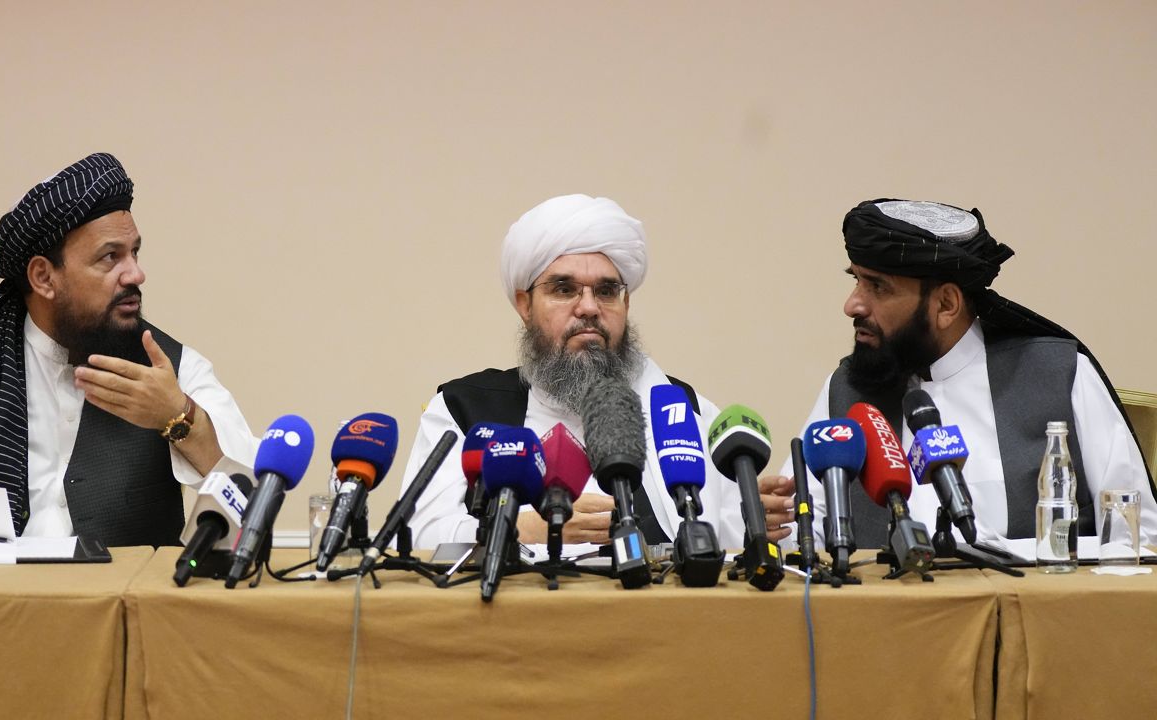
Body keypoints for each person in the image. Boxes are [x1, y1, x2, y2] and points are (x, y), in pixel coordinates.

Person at [0, 153, 256, 547]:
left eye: (135, 252)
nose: (136, 274)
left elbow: (253, 498)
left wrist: (178, 418)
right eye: (110, 257)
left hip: (121, 608)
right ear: (43, 276)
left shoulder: (174, 371)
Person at [762, 198, 1157, 548]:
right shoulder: (849, 389)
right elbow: (805, 530)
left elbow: (1141, 532)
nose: (852, 305)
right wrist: (774, 523)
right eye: (856, 281)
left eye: (877, 287)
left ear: (946, 304)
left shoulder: (1058, 375)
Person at [400, 194, 742, 550]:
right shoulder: (465, 411)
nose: (590, 307)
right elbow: (418, 534)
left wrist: (748, 519)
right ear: (525, 305)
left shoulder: (683, 412)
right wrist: (526, 527)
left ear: (625, 303)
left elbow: (729, 548)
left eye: (607, 291)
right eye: (564, 289)